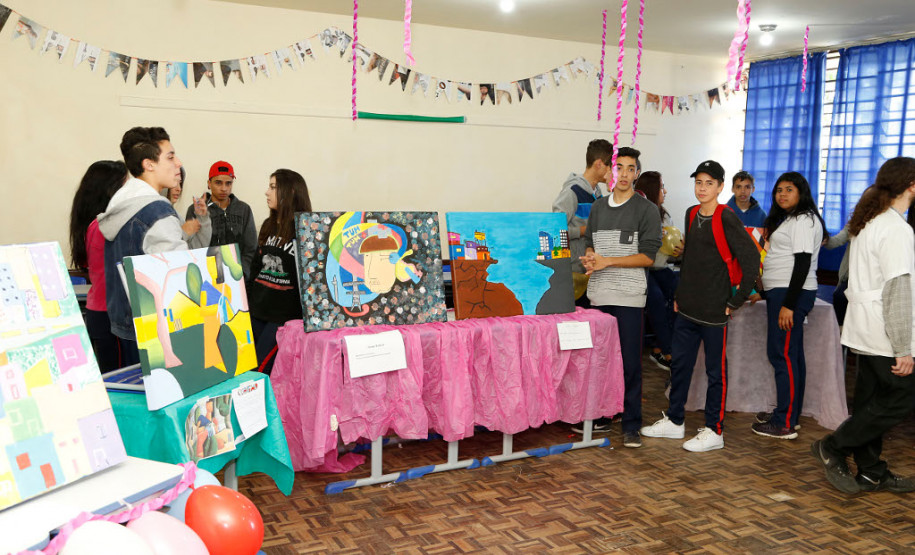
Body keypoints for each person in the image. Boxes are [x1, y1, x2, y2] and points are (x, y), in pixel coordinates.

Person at [812, 157, 915, 494]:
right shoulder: (897, 228)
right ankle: (835, 445)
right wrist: (904, 347)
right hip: (884, 330)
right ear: (911, 185)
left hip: (864, 326)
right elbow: (897, 290)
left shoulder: (870, 220)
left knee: (871, 399)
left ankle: (871, 470)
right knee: (902, 397)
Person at [641, 160, 760, 452]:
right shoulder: (691, 213)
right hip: (688, 307)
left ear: (720, 187)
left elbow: (751, 259)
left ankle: (714, 430)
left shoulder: (727, 217)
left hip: (716, 311)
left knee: (715, 372)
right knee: (680, 366)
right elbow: (691, 260)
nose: (702, 188)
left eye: (709, 183)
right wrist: (680, 294)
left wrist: (737, 299)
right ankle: (675, 420)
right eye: (698, 183)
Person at [97, 127, 209, 361]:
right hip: (157, 337)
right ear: (148, 164)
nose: (178, 163)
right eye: (170, 157)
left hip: (124, 327)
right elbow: (180, 285)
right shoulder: (158, 212)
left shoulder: (122, 204)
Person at [578, 146, 660, 448]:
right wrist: (590, 259)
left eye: (630, 168)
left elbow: (648, 257)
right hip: (598, 295)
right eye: (618, 167)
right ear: (610, 171)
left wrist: (608, 261)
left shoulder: (646, 210)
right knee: (598, 360)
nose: (623, 174)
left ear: (636, 173)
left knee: (629, 363)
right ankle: (601, 415)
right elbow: (590, 245)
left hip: (628, 297)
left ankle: (631, 423)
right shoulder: (598, 207)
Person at [752, 172, 827, 439]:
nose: (782, 194)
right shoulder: (793, 219)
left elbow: (803, 263)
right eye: (778, 190)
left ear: (801, 193)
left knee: (781, 354)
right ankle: (789, 415)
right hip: (782, 292)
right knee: (790, 355)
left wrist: (789, 305)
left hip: (790, 295)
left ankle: (784, 422)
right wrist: (764, 294)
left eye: (789, 190)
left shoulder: (804, 220)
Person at [247, 169, 312, 374]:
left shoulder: (306, 229)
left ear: (291, 191)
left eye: (273, 187)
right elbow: (256, 268)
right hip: (256, 312)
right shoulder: (268, 225)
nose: (267, 192)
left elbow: (310, 280)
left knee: (260, 371)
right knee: (246, 369)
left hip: (282, 318)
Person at [68, 160, 130, 372]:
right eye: (126, 186)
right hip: (111, 315)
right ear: (111, 191)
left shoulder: (92, 225)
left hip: (102, 312)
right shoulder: (104, 227)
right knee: (122, 383)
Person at [552, 139, 614, 307]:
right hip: (574, 271)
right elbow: (555, 230)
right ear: (599, 164)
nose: (613, 171)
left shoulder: (598, 193)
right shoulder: (572, 192)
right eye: (611, 166)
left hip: (592, 269)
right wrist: (583, 231)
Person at [636, 171, 681, 370]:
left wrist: (680, 250)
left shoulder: (665, 215)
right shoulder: (639, 213)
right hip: (644, 268)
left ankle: (658, 348)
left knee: (681, 292)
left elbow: (671, 248)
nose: (665, 191)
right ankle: (668, 350)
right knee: (655, 300)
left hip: (662, 267)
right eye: (662, 186)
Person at [185, 161, 258, 278]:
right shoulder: (196, 210)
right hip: (207, 276)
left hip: (240, 278)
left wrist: (242, 272)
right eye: (218, 183)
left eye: (228, 183)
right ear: (209, 183)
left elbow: (251, 247)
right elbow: (191, 248)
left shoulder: (244, 209)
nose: (224, 188)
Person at [169, 167, 206, 241]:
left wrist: (203, 219)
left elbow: (195, 246)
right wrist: (184, 232)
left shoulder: (177, 217)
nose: (179, 189)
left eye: (180, 183)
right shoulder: (155, 215)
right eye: (174, 182)